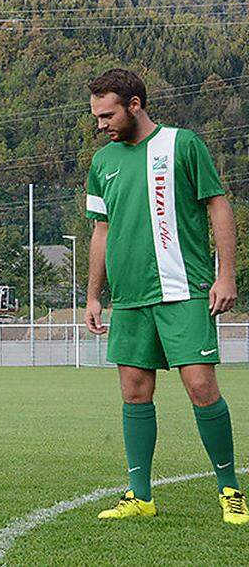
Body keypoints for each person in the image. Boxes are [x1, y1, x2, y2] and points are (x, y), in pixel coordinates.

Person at [84, 68, 245, 524]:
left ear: (135, 104)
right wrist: (94, 296)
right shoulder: (103, 163)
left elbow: (218, 204)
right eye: (97, 117)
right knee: (135, 393)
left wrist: (226, 275)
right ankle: (140, 496)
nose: (101, 125)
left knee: (201, 387)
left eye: (107, 114)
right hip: (131, 298)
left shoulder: (183, 144)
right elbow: (101, 230)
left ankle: (230, 490)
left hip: (184, 292)